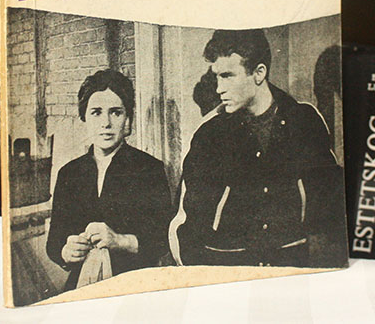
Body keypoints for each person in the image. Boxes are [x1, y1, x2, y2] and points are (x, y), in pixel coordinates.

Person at [174, 29, 347, 269]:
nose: (219, 89)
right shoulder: (209, 135)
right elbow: (187, 227)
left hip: (291, 273)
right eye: (217, 77)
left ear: (259, 73)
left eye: (227, 76)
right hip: (229, 275)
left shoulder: (305, 121)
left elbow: (331, 210)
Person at [46, 69, 171, 290]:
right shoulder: (69, 173)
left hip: (134, 285)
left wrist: (120, 240)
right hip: (82, 285)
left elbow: (163, 239)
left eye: (115, 112)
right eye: (96, 112)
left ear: (128, 119)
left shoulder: (149, 169)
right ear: (84, 118)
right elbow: (54, 242)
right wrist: (66, 251)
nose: (106, 123)